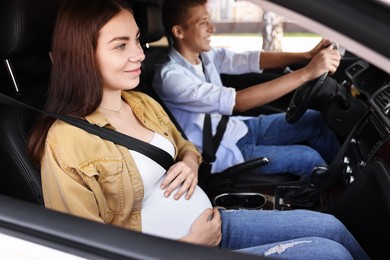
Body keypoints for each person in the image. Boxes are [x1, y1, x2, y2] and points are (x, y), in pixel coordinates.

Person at [26, 0, 369, 258]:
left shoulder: (140, 102)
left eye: (138, 40)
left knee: (333, 229)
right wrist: (188, 246)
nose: (139, 55)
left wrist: (189, 162)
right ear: (83, 55)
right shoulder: (66, 141)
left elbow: (187, 145)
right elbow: (82, 250)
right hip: (183, 250)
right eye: (121, 45)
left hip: (215, 222)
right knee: (327, 253)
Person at [153, 0, 341, 179]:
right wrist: (306, 73)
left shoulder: (205, 56)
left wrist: (307, 55)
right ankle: (337, 198)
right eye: (203, 23)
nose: (212, 28)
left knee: (314, 120)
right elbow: (238, 102)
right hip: (221, 151)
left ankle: (344, 175)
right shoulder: (171, 78)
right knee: (308, 158)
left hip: (238, 128)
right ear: (179, 31)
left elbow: (250, 60)